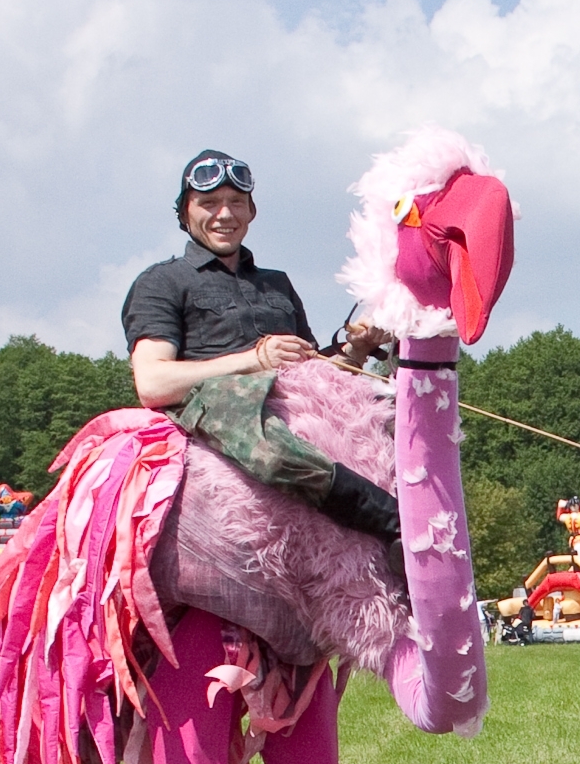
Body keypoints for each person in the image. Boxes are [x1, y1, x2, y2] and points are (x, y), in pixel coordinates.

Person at [120, 149, 399, 548]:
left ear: (251, 211)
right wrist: (255, 361)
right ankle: (391, 522)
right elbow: (152, 383)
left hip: (293, 401)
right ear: (184, 213)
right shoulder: (162, 282)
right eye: (209, 203)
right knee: (256, 427)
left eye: (236, 202)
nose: (225, 214)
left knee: (393, 408)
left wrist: (357, 348)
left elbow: (314, 371)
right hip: (218, 407)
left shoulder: (277, 283)